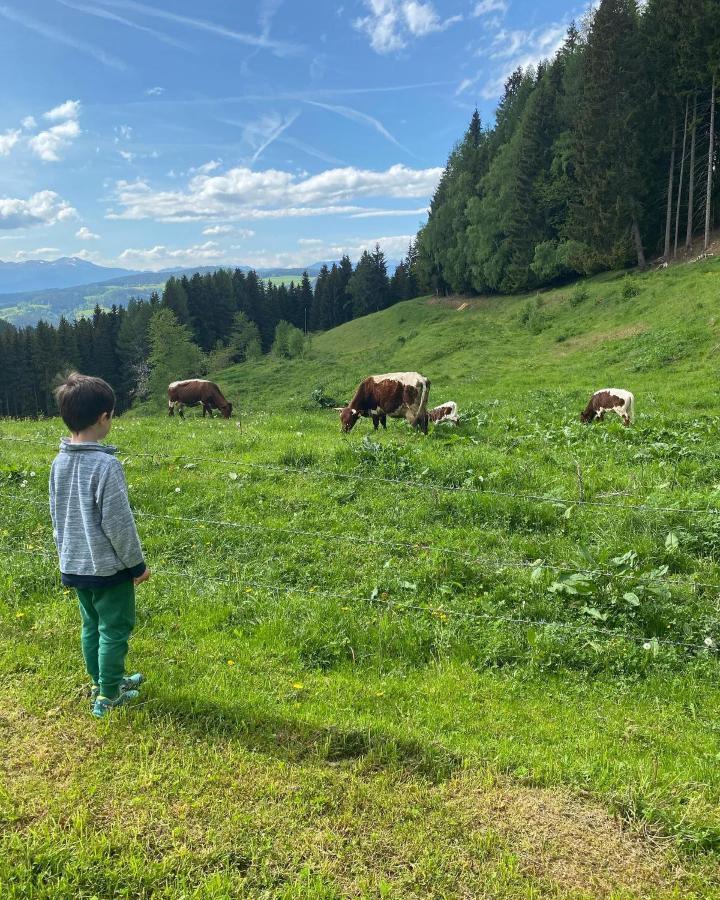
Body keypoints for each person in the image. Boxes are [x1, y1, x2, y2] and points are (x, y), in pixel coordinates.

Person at [49, 373, 150, 719]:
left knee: (91, 624)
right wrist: (136, 565)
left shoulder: (58, 462)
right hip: (108, 568)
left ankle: (102, 680)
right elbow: (119, 525)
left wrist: (64, 557)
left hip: (74, 563)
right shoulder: (106, 465)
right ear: (104, 417)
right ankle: (109, 695)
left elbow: (57, 517)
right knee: (115, 627)